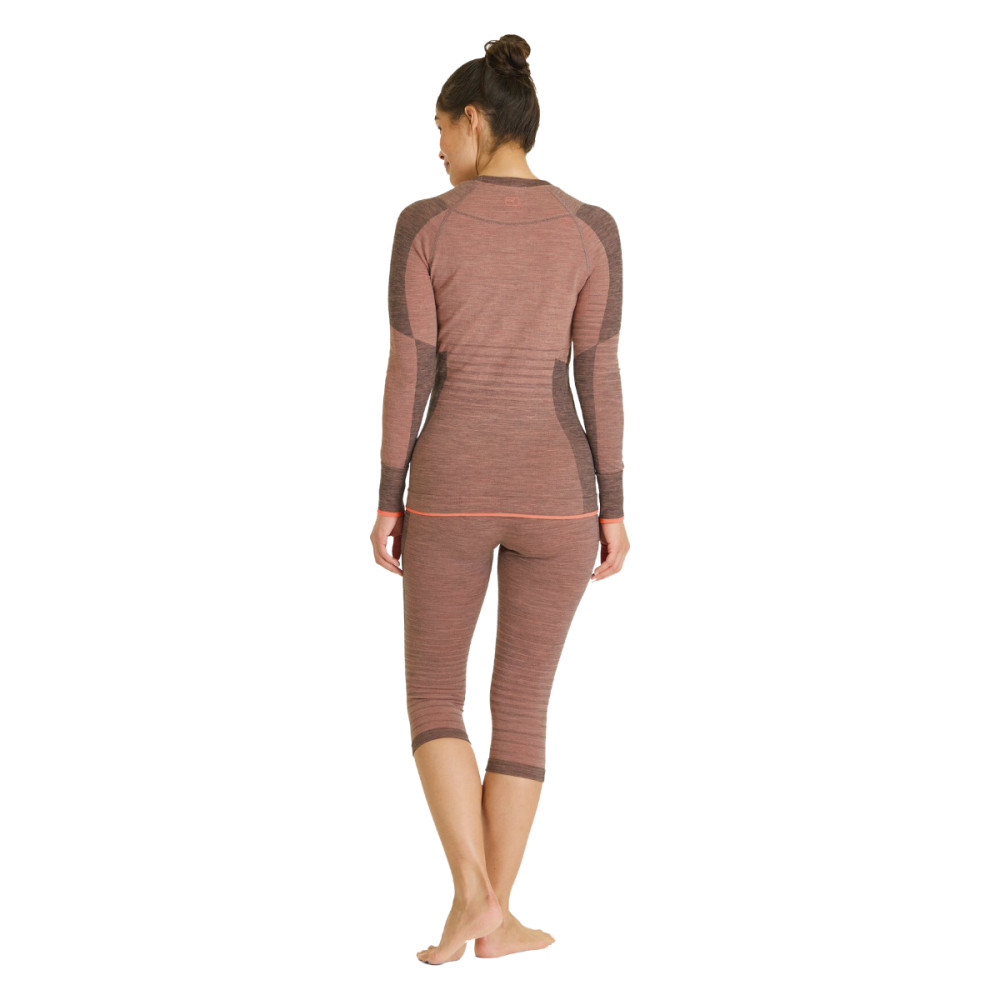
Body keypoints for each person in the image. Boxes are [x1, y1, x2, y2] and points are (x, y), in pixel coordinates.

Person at [369, 34, 630, 965]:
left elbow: (411, 369)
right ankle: (498, 917)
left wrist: (389, 495)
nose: (437, 149)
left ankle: (473, 896)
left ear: (475, 121)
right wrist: (612, 504)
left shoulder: (426, 224)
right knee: (522, 703)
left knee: (434, 696)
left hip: (450, 491)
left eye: (442, 129)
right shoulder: (591, 228)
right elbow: (598, 373)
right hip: (561, 498)